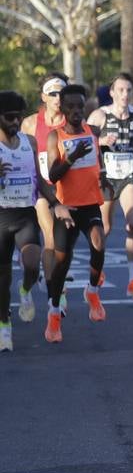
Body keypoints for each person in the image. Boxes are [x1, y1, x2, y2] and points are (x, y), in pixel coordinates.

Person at [0, 91, 72, 352]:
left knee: (32, 264)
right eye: (9, 118)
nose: (15, 122)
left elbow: (39, 179)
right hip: (1, 216)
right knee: (2, 278)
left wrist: (56, 204)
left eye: (18, 117)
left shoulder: (29, 142)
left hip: (24, 214)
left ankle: (26, 287)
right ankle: (4, 325)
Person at [44, 84, 108, 342]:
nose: (77, 111)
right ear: (62, 109)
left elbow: (98, 163)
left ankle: (92, 291)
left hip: (91, 203)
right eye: (71, 107)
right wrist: (70, 158)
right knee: (61, 262)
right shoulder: (54, 137)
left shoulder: (92, 132)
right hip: (67, 207)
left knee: (99, 243)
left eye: (80, 106)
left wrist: (105, 179)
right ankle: (54, 313)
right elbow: (52, 175)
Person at [87, 73, 133, 299]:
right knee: (105, 228)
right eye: (120, 90)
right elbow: (84, 140)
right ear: (112, 92)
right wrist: (101, 141)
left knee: (132, 225)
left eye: (128, 90)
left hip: (128, 177)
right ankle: (97, 270)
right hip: (106, 178)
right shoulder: (100, 115)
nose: (125, 94)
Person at [20, 74, 67, 298]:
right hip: (39, 188)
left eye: (62, 93)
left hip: (66, 189)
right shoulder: (30, 123)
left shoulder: (73, 121)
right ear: (43, 97)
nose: (58, 98)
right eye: (53, 93)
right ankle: (54, 293)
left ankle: (52, 280)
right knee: (50, 235)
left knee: (63, 242)